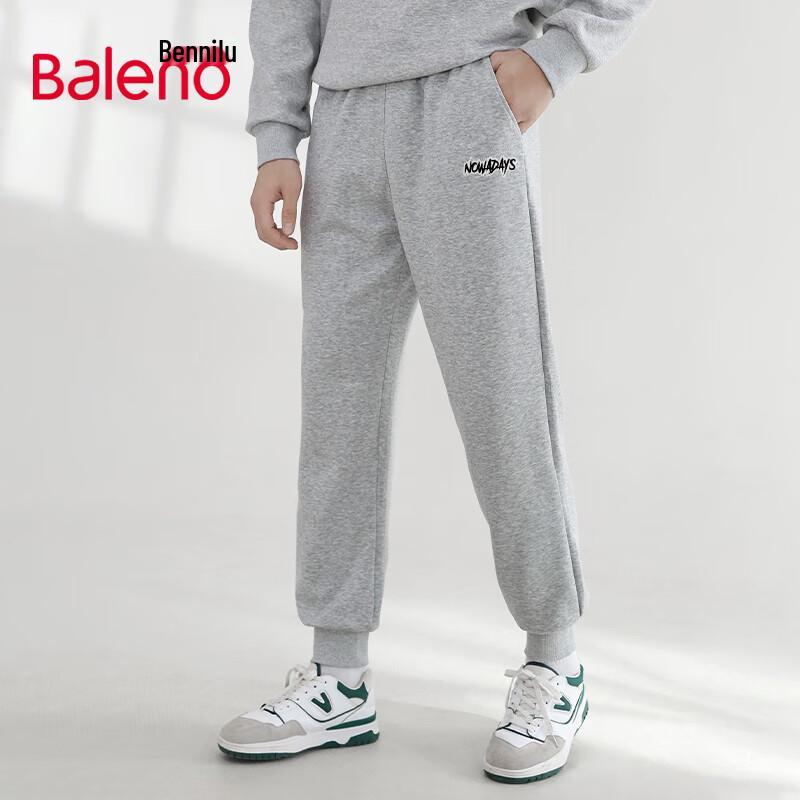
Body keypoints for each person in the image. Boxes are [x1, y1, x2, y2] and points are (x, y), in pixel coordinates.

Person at [218, 0, 652, 783]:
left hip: (469, 102)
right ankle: (339, 675)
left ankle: (556, 661)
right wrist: (276, 135)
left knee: (505, 400)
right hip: (345, 118)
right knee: (337, 412)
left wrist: (557, 56)